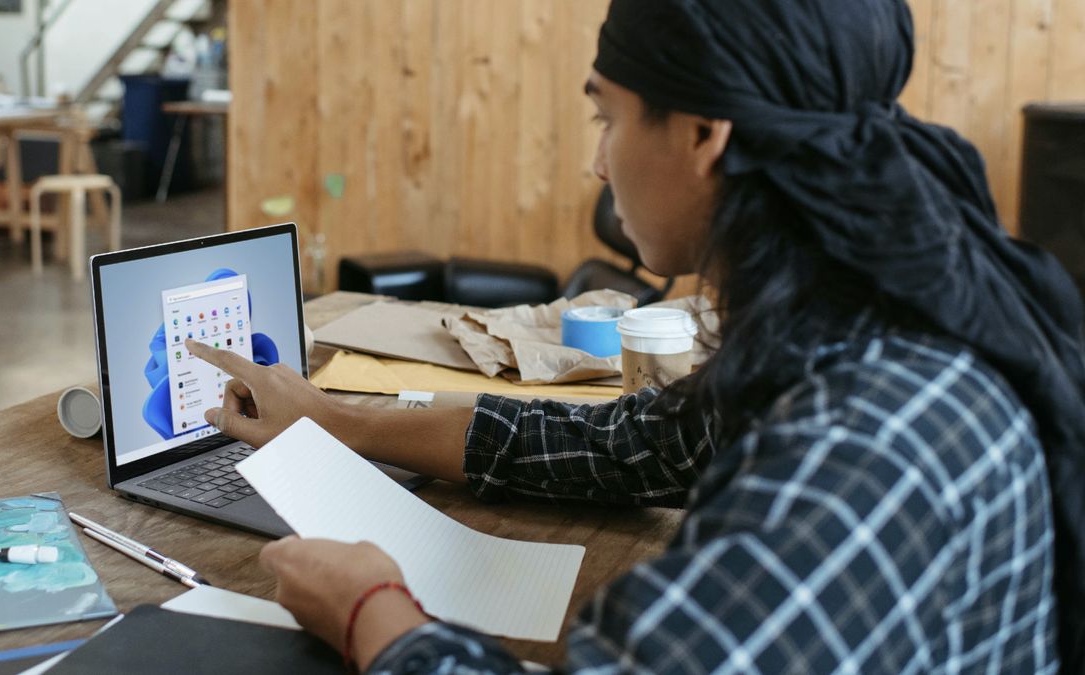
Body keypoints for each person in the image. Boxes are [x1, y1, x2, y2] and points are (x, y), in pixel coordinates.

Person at [186, 0, 1085, 671]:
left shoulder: (865, 443)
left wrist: (371, 610)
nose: (597, 159)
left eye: (606, 117)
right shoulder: (836, 324)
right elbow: (631, 442)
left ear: (704, 133)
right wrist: (340, 421)